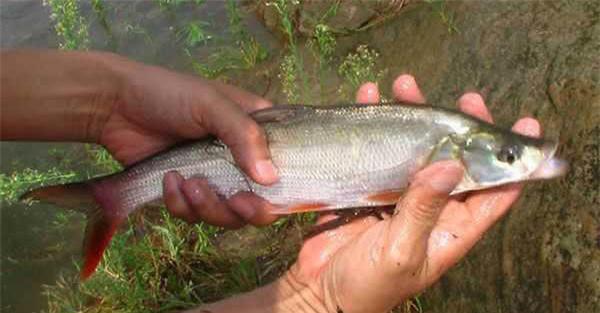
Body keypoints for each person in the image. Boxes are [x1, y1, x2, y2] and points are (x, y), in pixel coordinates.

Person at [0, 50, 541, 313]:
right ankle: (111, 197)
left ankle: (112, 194)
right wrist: (316, 301)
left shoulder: (443, 134)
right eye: (508, 155)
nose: (515, 161)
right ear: (456, 154)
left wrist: (111, 99)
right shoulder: (444, 138)